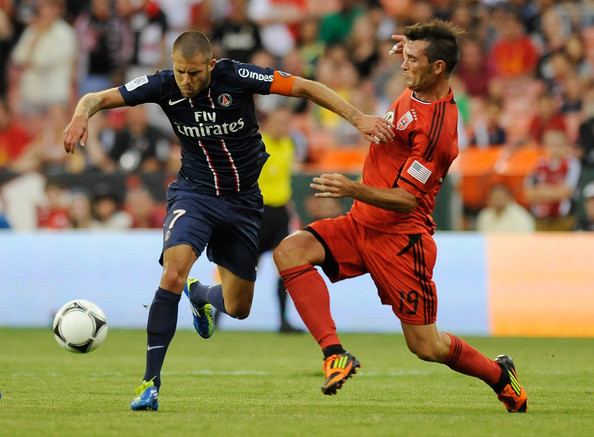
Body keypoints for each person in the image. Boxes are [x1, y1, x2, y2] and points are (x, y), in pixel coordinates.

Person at [62, 31, 393, 411]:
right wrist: (79, 116)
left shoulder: (236, 76)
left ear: (210, 64)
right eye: (180, 72)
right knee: (172, 272)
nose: (186, 81)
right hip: (194, 195)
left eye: (194, 73)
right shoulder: (162, 85)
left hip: (243, 203)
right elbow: (95, 97)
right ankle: (149, 384)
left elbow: (303, 86)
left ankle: (201, 294)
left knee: (237, 307)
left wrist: (357, 117)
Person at [273, 20, 528, 413]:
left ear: (438, 67)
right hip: (360, 224)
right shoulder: (417, 89)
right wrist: (410, 46)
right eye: (404, 56)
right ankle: (335, 354)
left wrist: (350, 188)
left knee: (427, 346)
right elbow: (418, 61)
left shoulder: (440, 131)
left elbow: (408, 200)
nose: (404, 64)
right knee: (290, 251)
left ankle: (499, 375)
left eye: (412, 59)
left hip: (401, 240)